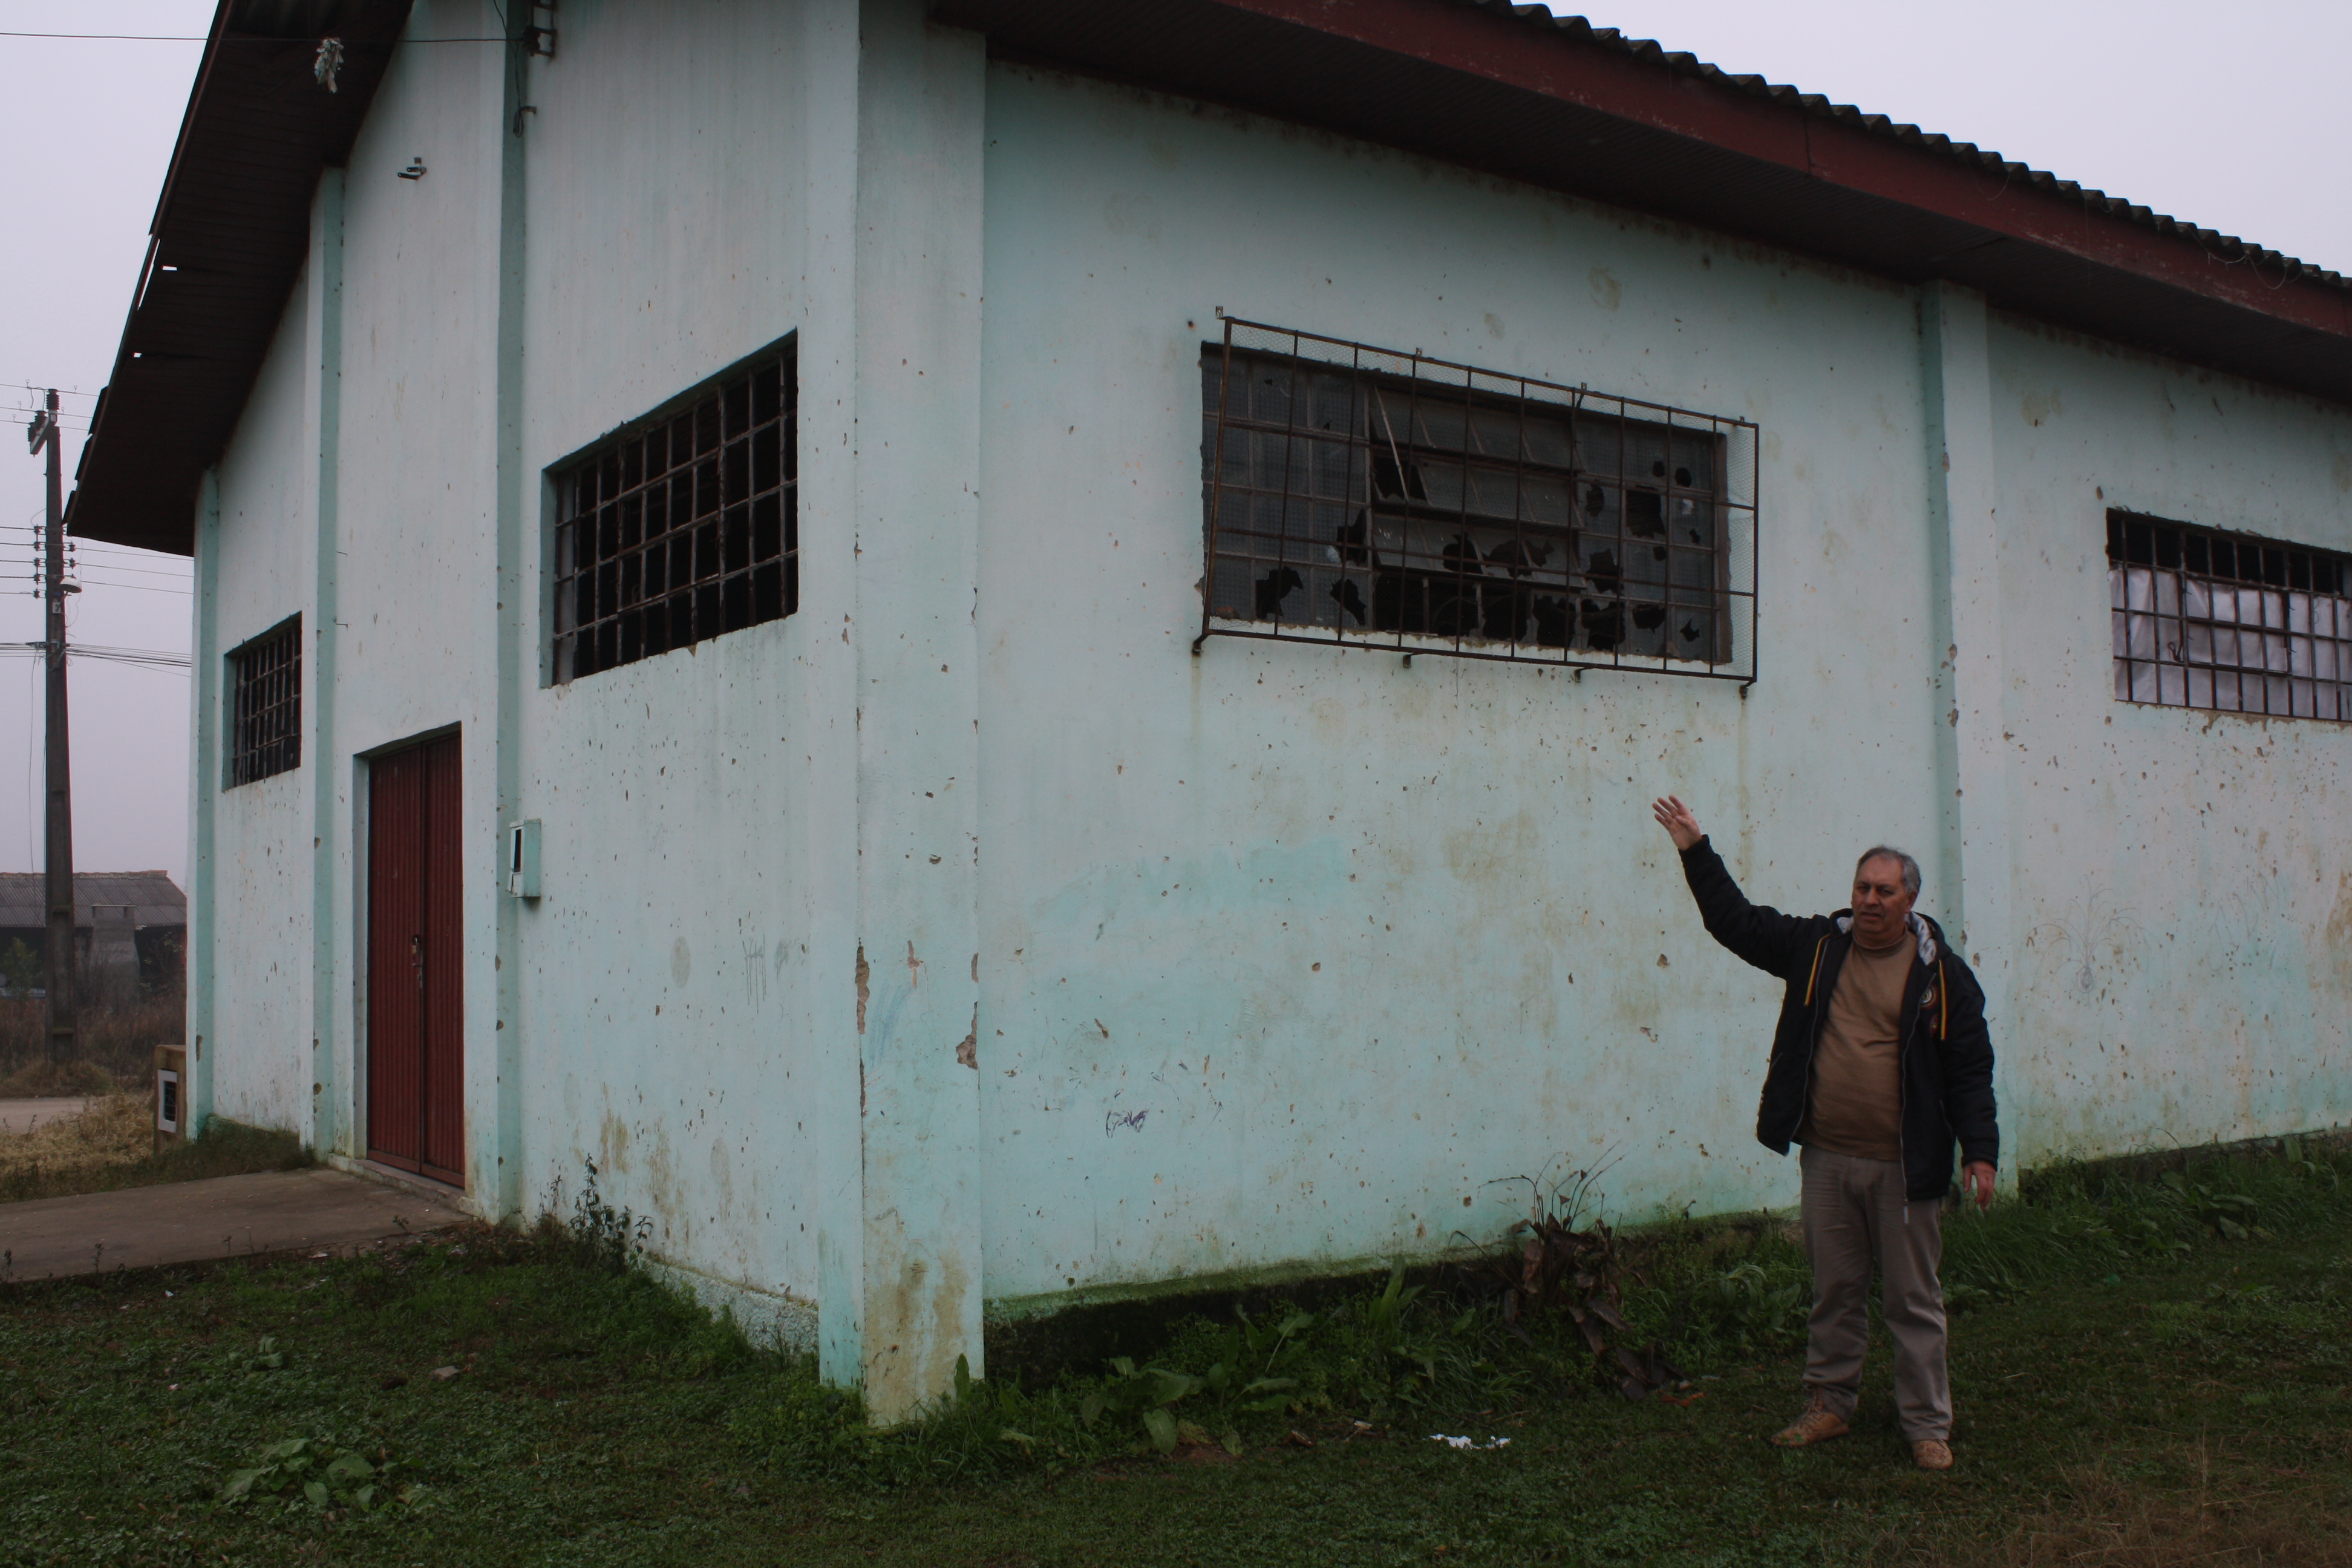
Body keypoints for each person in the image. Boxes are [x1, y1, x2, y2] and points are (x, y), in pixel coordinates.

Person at [1650, 795, 1998, 1472]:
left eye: (1884, 891)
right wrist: (1697, 851)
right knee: (1834, 1292)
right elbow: (1737, 923)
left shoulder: (1945, 977)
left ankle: (1927, 1425)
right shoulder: (1815, 947)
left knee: (1913, 1300)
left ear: (1910, 900)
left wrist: (1980, 1151)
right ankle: (1829, 1406)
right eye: (1862, 887)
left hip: (1908, 1167)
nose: (1870, 900)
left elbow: (1970, 1070)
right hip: (1829, 1159)